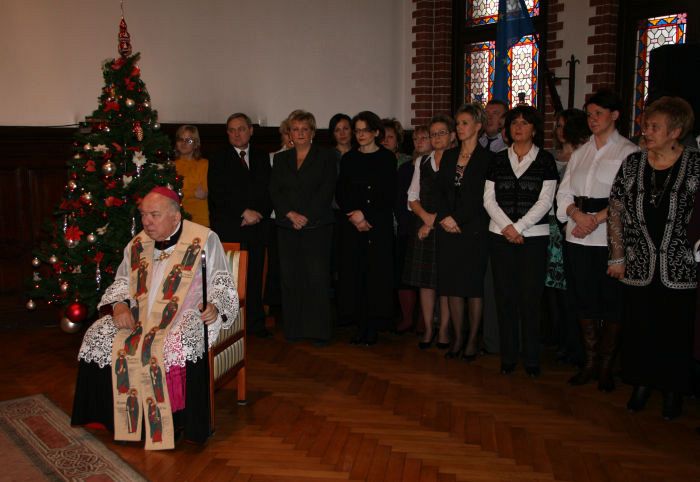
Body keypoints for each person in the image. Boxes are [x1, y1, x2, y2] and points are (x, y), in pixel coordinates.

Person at [72, 187, 239, 449]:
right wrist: (118, 306)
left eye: (154, 215)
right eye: (143, 215)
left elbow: (220, 281)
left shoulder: (204, 238)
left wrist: (215, 305)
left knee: (178, 340)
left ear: (175, 216)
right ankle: (112, 419)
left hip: (184, 313)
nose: (146, 222)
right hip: (140, 315)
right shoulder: (138, 243)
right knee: (99, 334)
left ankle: (178, 423)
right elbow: (123, 281)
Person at [609, 96, 699, 420]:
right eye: (646, 125)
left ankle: (673, 391)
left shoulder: (695, 164)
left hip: (680, 265)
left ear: (675, 132)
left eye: (654, 126)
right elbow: (616, 209)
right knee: (640, 326)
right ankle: (641, 384)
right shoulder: (632, 164)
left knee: (675, 330)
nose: (646, 131)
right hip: (639, 262)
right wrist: (617, 256)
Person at [556, 90, 639, 391]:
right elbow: (564, 192)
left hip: (608, 237)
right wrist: (577, 215)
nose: (592, 119)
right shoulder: (581, 152)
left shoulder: (628, 152)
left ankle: (606, 366)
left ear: (614, 115)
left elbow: (628, 197)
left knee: (611, 302)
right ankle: (589, 362)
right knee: (583, 299)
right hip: (577, 235)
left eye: (598, 114)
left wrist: (595, 219)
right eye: (589, 114)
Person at [484, 105, 558, 377]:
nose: (518, 127)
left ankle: (531, 358)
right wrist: (507, 228)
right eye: (514, 122)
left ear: (534, 129)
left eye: (525, 123)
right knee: (505, 298)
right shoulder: (498, 159)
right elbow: (488, 199)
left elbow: (546, 200)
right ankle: (509, 356)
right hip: (500, 236)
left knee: (530, 299)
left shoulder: (545, 160)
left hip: (533, 238)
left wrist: (519, 228)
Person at [270, 110, 337, 345]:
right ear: (289, 133)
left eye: (304, 129)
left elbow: (326, 190)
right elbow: (275, 190)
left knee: (316, 279)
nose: (299, 133)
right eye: (295, 129)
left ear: (312, 133)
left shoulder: (327, 157)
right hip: (287, 227)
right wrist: (290, 214)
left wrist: (305, 216)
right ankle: (294, 329)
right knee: (291, 279)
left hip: (316, 227)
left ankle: (318, 331)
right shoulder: (281, 159)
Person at [208, 113, 272, 339]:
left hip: (257, 227)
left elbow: (269, 190)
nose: (237, 134)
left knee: (254, 277)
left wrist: (259, 213)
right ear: (227, 133)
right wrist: (243, 212)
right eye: (232, 130)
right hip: (230, 227)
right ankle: (230, 325)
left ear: (251, 130)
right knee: (230, 279)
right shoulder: (218, 158)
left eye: (241, 129)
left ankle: (255, 324)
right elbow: (218, 194)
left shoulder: (263, 157)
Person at [435, 105, 491, 359]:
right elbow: (441, 192)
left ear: (478, 126)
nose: (459, 128)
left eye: (465, 123)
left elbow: (482, 198)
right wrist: (446, 217)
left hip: (474, 230)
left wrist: (457, 218)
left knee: (472, 287)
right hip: (448, 229)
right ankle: (457, 338)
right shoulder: (448, 156)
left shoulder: (488, 159)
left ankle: (472, 340)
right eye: (457, 123)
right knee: (453, 286)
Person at [336, 111, 397, 345]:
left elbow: (389, 193)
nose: (360, 135)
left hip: (377, 225)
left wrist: (366, 215)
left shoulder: (387, 158)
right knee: (356, 274)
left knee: (376, 275)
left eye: (365, 130)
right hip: (353, 225)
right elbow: (342, 191)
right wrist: (354, 215)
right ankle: (360, 325)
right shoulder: (349, 159)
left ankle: (373, 326)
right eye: (357, 130)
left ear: (376, 132)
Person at [404, 116, 455, 349]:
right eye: (433, 134)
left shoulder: (457, 162)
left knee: (444, 281)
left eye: (441, 133)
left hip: (447, 226)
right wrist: (425, 218)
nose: (436, 138)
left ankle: (443, 330)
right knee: (425, 282)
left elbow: (455, 200)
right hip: (423, 225)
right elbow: (412, 197)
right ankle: (427, 329)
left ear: (452, 136)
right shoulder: (422, 162)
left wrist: (432, 222)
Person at [545, 109, 590, 365]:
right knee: (552, 287)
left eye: (564, 125)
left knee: (570, 289)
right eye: (557, 125)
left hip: (574, 227)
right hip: (550, 227)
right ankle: (557, 335)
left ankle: (575, 342)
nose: (559, 130)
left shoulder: (584, 157)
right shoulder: (551, 156)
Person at [395, 125, 433, 334]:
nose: (419, 142)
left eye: (423, 138)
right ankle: (408, 317)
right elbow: (400, 199)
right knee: (404, 273)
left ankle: (424, 319)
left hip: (427, 225)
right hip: (407, 225)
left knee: (424, 275)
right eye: (416, 138)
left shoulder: (437, 165)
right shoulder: (406, 168)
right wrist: (403, 221)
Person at [174, 125, 209, 226]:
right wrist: (193, 193)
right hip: (175, 218)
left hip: (199, 219)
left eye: (189, 140)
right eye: (181, 139)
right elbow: (171, 195)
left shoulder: (204, 164)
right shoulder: (170, 166)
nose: (184, 143)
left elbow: (203, 192)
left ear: (196, 144)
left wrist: (181, 193)